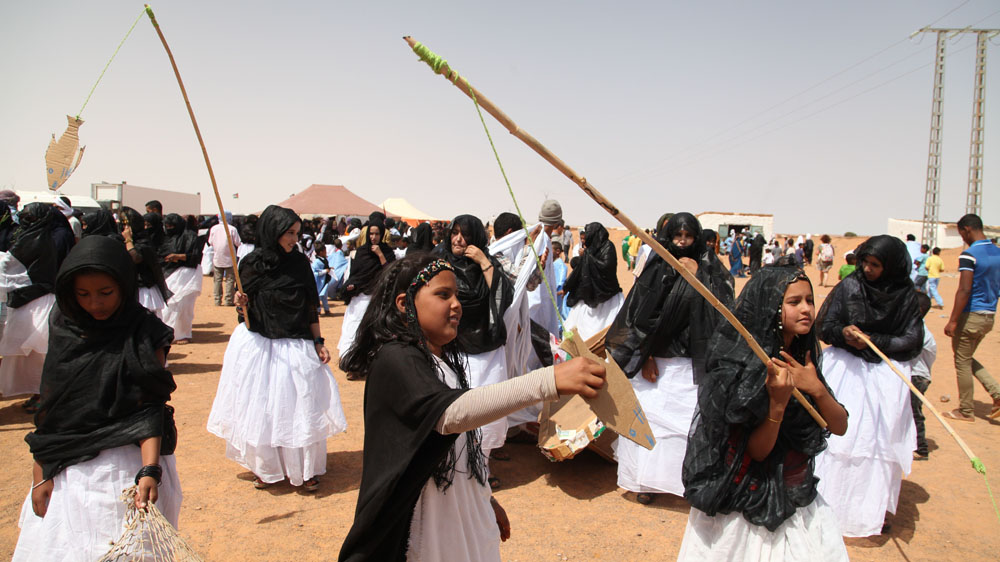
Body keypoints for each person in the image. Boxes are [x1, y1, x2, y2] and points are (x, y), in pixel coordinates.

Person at [337, 254, 606, 561]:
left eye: (457, 295)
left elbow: (461, 446)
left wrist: (481, 498)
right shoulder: (395, 358)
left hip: (456, 510)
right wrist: (547, 380)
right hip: (423, 521)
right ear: (403, 303)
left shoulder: (439, 361)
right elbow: (451, 416)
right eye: (443, 295)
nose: (457, 305)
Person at [13, 236, 181, 560]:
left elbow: (150, 406)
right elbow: (54, 408)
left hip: (127, 465)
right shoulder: (66, 329)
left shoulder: (145, 333)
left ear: (124, 286)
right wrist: (41, 472)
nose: (95, 304)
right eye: (83, 294)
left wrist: (149, 470)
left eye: (106, 293)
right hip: (70, 468)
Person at [679, 263, 849, 561]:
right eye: (794, 302)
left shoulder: (802, 360)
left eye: (809, 300)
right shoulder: (739, 368)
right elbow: (756, 452)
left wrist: (817, 389)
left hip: (796, 496)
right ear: (770, 307)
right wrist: (777, 405)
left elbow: (839, 426)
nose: (806, 309)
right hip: (748, 502)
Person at [207, 205, 347, 490]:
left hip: (296, 344)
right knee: (263, 409)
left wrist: (318, 342)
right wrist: (241, 304)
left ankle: (305, 470)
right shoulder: (251, 264)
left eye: (297, 233)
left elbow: (310, 307)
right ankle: (266, 468)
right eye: (289, 233)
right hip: (260, 346)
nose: (295, 239)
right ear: (273, 232)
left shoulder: (300, 264)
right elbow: (243, 312)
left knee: (300, 407)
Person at [606, 213, 734, 505]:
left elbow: (725, 305)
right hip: (659, 360)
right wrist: (646, 354)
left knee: (685, 426)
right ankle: (645, 483)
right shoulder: (659, 266)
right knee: (652, 422)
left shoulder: (709, 265)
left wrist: (699, 275)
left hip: (692, 362)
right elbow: (640, 314)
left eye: (688, 236)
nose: (682, 242)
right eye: (678, 236)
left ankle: (682, 483)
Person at [814, 235, 923, 537]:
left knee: (877, 443)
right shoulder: (850, 286)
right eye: (865, 262)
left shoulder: (906, 295)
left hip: (885, 376)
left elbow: (912, 338)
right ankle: (826, 507)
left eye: (875, 264)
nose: (867, 269)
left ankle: (870, 511)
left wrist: (876, 341)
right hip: (846, 372)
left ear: (892, 267)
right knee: (839, 440)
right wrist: (844, 333)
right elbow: (825, 326)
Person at [433, 215, 516, 483]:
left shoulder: (487, 263)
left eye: (465, 235)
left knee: (487, 415)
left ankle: (482, 468)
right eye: (455, 233)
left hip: (487, 352)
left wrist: (483, 262)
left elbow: (505, 296)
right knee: (455, 414)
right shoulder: (439, 264)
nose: (458, 239)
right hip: (453, 352)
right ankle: (454, 472)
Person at [0, 203, 58, 411]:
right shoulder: (38, 237)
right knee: (32, 356)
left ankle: (45, 396)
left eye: (29, 217)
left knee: (40, 354)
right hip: (30, 301)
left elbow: (7, 267)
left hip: (35, 303)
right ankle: (38, 392)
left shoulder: (34, 239)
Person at [943, 214, 1000, 422]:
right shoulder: (998, 252)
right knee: (965, 358)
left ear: (966, 230)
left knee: (962, 362)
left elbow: (964, 289)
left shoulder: (969, 255)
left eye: (961, 234)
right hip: (989, 316)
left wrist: (953, 320)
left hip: (971, 315)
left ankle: (966, 410)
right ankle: (996, 393)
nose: (963, 238)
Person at [338, 213, 396, 374]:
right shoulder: (361, 252)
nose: (374, 237)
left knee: (373, 333)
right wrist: (351, 286)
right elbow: (355, 275)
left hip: (377, 298)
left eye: (377, 234)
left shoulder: (387, 253)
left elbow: (391, 274)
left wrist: (380, 255)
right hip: (360, 298)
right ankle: (351, 365)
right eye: (371, 233)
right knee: (354, 330)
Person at [563, 222, 624, 341]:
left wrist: (587, 255)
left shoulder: (608, 246)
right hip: (589, 292)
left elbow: (606, 267)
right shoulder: (591, 248)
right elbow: (579, 268)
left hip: (607, 295)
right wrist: (567, 286)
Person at [158, 213, 203, 344]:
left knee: (185, 306)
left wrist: (178, 256)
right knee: (169, 305)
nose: (169, 228)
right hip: (170, 274)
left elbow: (195, 256)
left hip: (188, 275)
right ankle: (168, 332)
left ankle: (183, 334)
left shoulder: (191, 236)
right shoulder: (166, 237)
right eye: (167, 226)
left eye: (171, 226)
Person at [119, 208, 171, 314]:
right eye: (123, 224)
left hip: (144, 292)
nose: (126, 228)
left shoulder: (144, 243)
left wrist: (128, 240)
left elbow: (135, 258)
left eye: (128, 224)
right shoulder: (120, 241)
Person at [910, 292, 936, 460]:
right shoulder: (914, 328)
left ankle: (921, 447)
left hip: (916, 377)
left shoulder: (920, 332)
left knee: (913, 411)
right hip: (916, 375)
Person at [208, 212, 240, 306]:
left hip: (217, 258)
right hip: (230, 258)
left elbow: (210, 242)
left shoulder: (214, 228)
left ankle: (217, 300)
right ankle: (228, 300)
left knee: (217, 280)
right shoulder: (232, 229)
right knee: (230, 280)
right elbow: (238, 242)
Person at [312, 243, 333, 315]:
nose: (326, 252)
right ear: (321, 252)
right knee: (318, 296)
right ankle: (318, 310)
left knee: (324, 296)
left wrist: (329, 269)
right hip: (319, 282)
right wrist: (325, 271)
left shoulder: (324, 259)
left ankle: (326, 310)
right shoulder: (317, 262)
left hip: (325, 281)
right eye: (325, 251)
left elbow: (325, 267)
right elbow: (315, 272)